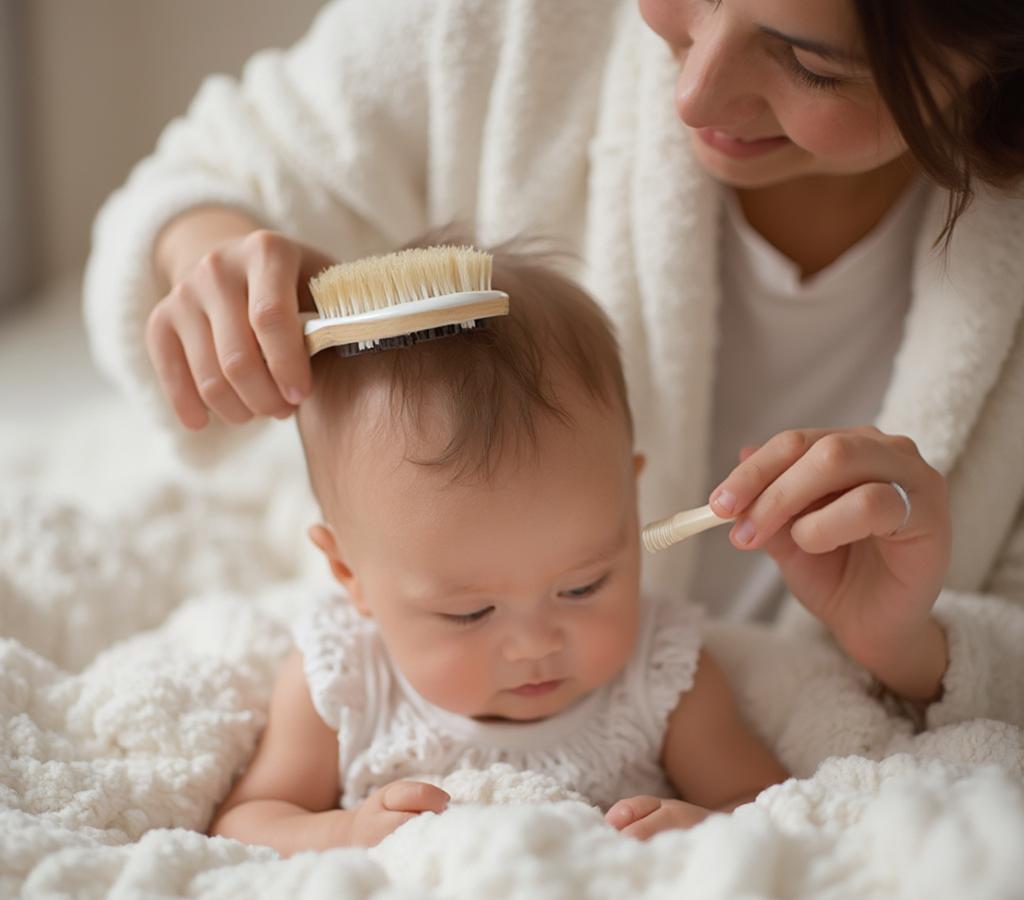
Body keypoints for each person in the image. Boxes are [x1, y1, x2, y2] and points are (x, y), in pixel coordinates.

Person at [84, 1, 1024, 734]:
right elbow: (190, 183)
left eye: (811, 61)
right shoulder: (507, 27)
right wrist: (208, 255)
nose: (693, 94)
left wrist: (913, 644)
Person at [207, 251, 788, 852]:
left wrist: (696, 827)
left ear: (631, 504)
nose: (535, 643)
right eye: (469, 612)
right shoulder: (346, 681)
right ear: (348, 574)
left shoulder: (664, 675)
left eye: (583, 586)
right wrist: (347, 831)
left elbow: (767, 804)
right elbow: (248, 822)